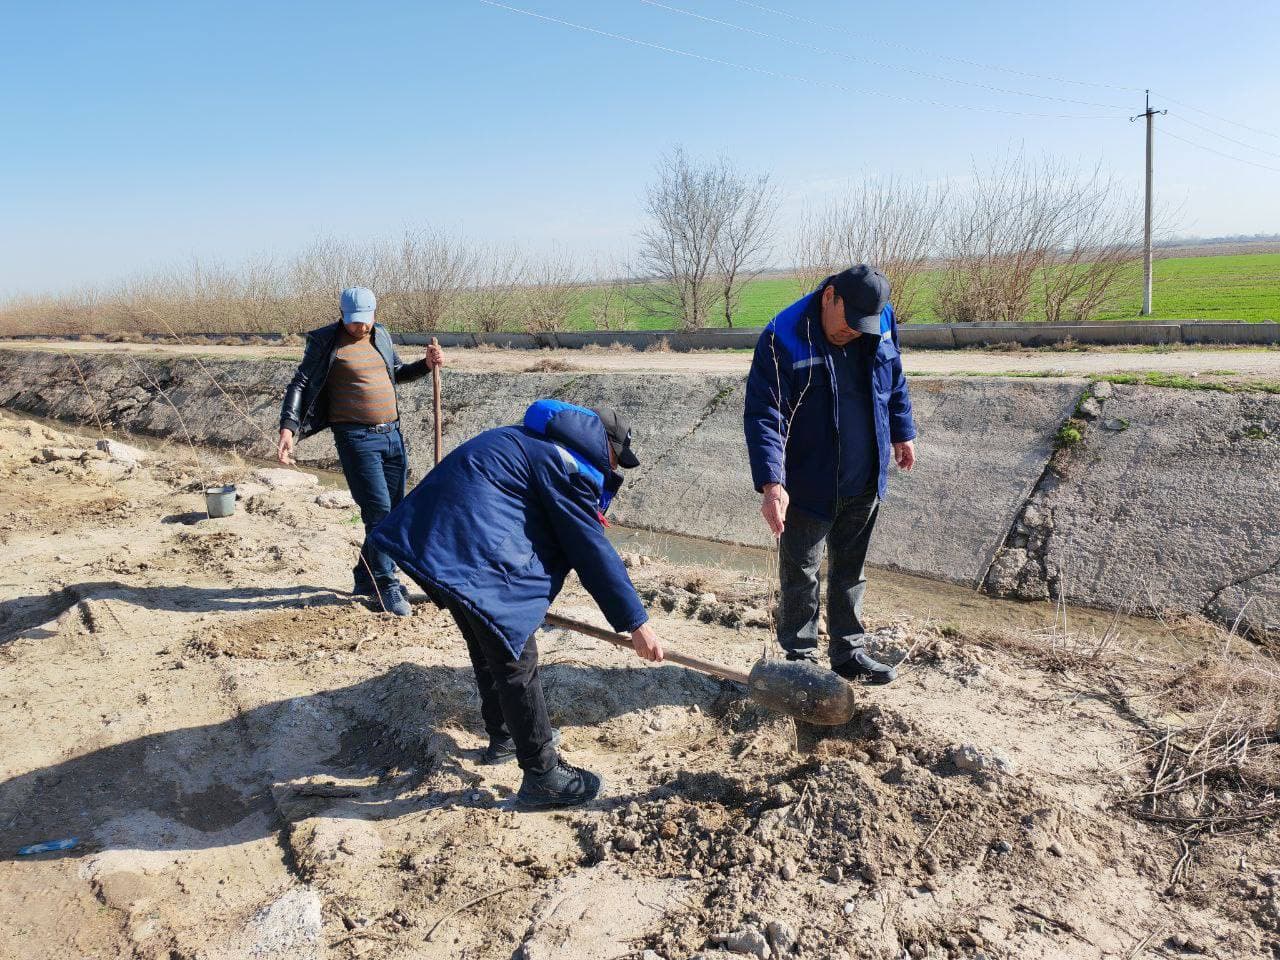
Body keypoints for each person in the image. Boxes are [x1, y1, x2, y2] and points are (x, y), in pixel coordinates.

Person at [370, 399, 663, 810]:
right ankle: (543, 774)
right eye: (617, 459)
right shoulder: (567, 465)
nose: (614, 470)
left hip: (442, 538)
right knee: (513, 653)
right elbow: (589, 548)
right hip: (470, 546)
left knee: (485, 639)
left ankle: (505, 735)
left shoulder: (532, 441)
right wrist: (636, 622)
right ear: (607, 445)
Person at [744, 265, 917, 684]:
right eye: (849, 323)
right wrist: (772, 483)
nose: (855, 333)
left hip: (865, 474)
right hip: (809, 480)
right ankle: (800, 660)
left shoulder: (880, 318)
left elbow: (893, 378)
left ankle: (848, 654)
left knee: (850, 569)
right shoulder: (782, 335)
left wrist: (902, 430)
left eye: (864, 326)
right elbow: (766, 415)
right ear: (829, 297)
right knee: (801, 573)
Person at [276, 286, 445, 617]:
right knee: (378, 512)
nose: (360, 327)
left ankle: (365, 575)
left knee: (394, 512)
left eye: (365, 321)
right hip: (356, 438)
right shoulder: (326, 342)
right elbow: (299, 383)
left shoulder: (380, 335)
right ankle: (386, 584)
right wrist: (288, 428)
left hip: (392, 435)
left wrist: (424, 365)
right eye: (354, 322)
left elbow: (397, 374)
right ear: (342, 315)